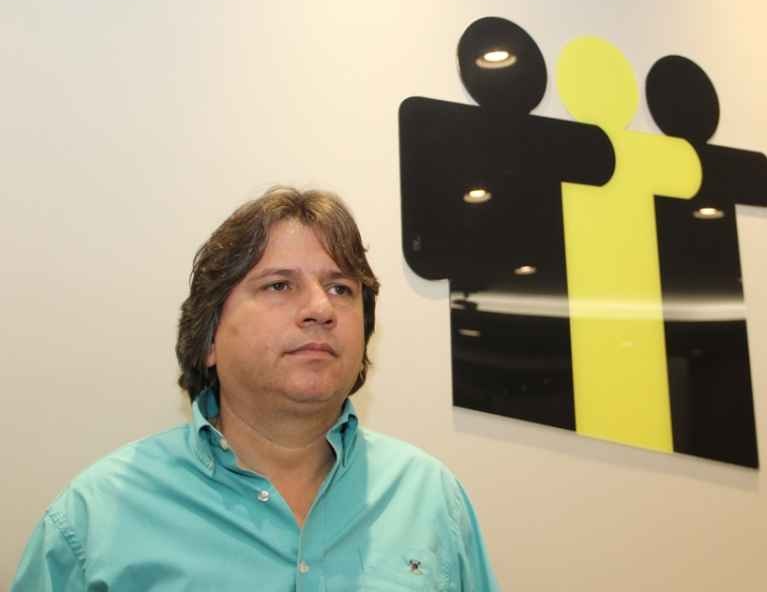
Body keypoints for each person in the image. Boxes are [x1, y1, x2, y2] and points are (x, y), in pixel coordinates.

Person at [12, 186, 500, 591]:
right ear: (209, 338)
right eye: (279, 285)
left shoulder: (431, 500)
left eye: (341, 289)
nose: (321, 309)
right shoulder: (95, 519)